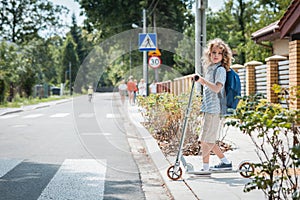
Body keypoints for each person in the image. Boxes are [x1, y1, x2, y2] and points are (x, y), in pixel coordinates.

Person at [194, 38, 232, 171]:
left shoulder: (220, 70)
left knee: (205, 140)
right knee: (207, 139)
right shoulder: (210, 68)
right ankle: (225, 162)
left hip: (214, 109)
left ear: (223, 56)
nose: (216, 55)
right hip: (208, 108)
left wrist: (203, 81)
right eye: (213, 52)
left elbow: (217, 89)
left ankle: (205, 168)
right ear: (209, 54)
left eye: (219, 53)